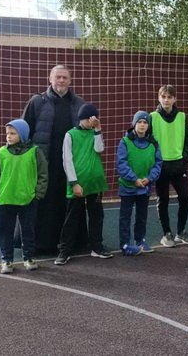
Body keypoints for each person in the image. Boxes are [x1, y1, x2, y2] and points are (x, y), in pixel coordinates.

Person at [23, 64, 85, 254]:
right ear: (50, 79)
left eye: (65, 77)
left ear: (70, 81)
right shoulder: (37, 102)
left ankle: (72, 242)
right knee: (44, 204)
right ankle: (40, 244)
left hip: (71, 163)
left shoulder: (79, 103)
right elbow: (25, 131)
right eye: (58, 77)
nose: (61, 80)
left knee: (70, 202)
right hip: (45, 162)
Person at [55, 104, 112, 265]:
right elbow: (67, 160)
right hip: (78, 183)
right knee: (71, 218)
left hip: (95, 183)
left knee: (96, 216)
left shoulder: (94, 132)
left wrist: (98, 129)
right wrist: (74, 182)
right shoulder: (70, 135)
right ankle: (65, 251)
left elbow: (99, 149)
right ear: (82, 118)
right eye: (89, 119)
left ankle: (97, 247)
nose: (91, 122)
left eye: (94, 119)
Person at [0, 119, 48, 274]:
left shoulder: (35, 152)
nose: (9, 136)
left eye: (13, 133)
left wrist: (38, 194)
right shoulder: (1, 153)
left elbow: (43, 174)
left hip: (27, 199)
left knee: (28, 230)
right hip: (5, 199)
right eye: (7, 133)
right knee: (4, 231)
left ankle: (28, 257)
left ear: (22, 134)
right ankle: (6, 260)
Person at [150, 85, 188, 248]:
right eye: (164, 97)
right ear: (159, 98)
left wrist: (184, 158)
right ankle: (166, 233)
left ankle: (181, 231)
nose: (166, 100)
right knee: (163, 200)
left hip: (178, 165)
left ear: (175, 99)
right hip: (161, 165)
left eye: (170, 97)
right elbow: (148, 140)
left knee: (185, 197)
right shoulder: (152, 117)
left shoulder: (182, 117)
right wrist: (155, 161)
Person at [116, 111, 162, 256]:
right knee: (125, 217)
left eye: (145, 122)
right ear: (134, 124)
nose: (142, 125)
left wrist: (149, 178)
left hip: (145, 187)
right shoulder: (125, 141)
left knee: (141, 216)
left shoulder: (153, 143)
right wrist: (134, 179)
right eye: (139, 122)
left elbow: (158, 163)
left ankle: (140, 240)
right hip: (128, 186)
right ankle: (125, 244)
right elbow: (121, 163)